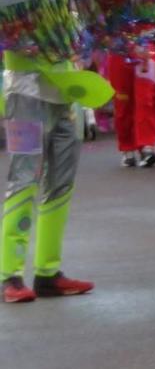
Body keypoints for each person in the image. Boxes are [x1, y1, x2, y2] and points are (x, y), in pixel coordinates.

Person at [2, 50, 100, 303]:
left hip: (67, 93)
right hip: (25, 93)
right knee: (23, 180)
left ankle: (48, 272)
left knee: (61, 184)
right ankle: (9, 275)